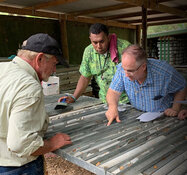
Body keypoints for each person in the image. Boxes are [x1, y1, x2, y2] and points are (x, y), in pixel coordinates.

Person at [0, 33, 72, 174]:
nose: (54, 70)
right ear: (39, 59)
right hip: (17, 167)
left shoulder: (2, 68)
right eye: (54, 64)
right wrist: (52, 144)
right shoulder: (28, 86)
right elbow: (21, 143)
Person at [105, 44, 187, 126]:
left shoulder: (164, 72)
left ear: (143, 67)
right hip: (137, 115)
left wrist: (175, 108)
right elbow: (113, 92)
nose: (126, 75)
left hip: (163, 117)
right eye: (124, 69)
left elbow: (182, 86)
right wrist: (112, 107)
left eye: (130, 71)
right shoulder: (122, 69)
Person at [58, 23, 131, 104]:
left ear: (108, 37)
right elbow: (85, 77)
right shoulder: (89, 52)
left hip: (127, 100)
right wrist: (73, 97)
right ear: (90, 39)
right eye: (95, 42)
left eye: (102, 41)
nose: (99, 46)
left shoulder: (124, 48)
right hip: (105, 101)